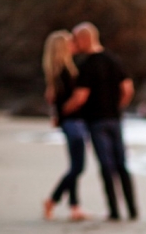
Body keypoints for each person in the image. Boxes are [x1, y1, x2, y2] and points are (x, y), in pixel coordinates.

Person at [63, 22, 138, 220]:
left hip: (96, 121)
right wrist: (118, 106)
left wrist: (63, 109)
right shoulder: (114, 60)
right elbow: (128, 89)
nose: (73, 42)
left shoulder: (87, 65)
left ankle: (114, 211)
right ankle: (132, 210)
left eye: (75, 39)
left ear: (84, 39)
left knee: (106, 166)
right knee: (121, 164)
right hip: (115, 119)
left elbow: (80, 97)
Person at [42, 30, 88, 221]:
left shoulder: (56, 72)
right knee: (78, 167)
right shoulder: (65, 72)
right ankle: (53, 199)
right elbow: (70, 101)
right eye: (70, 42)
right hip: (73, 122)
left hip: (69, 122)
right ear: (63, 47)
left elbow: (54, 100)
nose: (74, 45)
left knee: (74, 165)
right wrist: (73, 106)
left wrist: (58, 114)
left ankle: (75, 207)